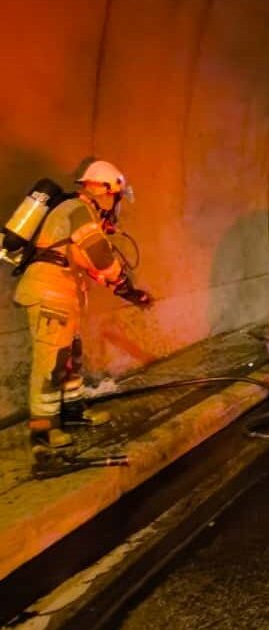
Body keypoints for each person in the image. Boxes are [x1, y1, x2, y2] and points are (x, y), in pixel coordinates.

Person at [13, 160, 152, 448]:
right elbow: (100, 257)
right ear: (103, 190)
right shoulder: (78, 211)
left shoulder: (79, 213)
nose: (115, 205)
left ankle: (73, 412)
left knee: (69, 357)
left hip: (62, 296)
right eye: (115, 197)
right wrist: (124, 282)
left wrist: (129, 292)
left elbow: (91, 266)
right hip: (49, 294)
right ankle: (42, 429)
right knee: (50, 364)